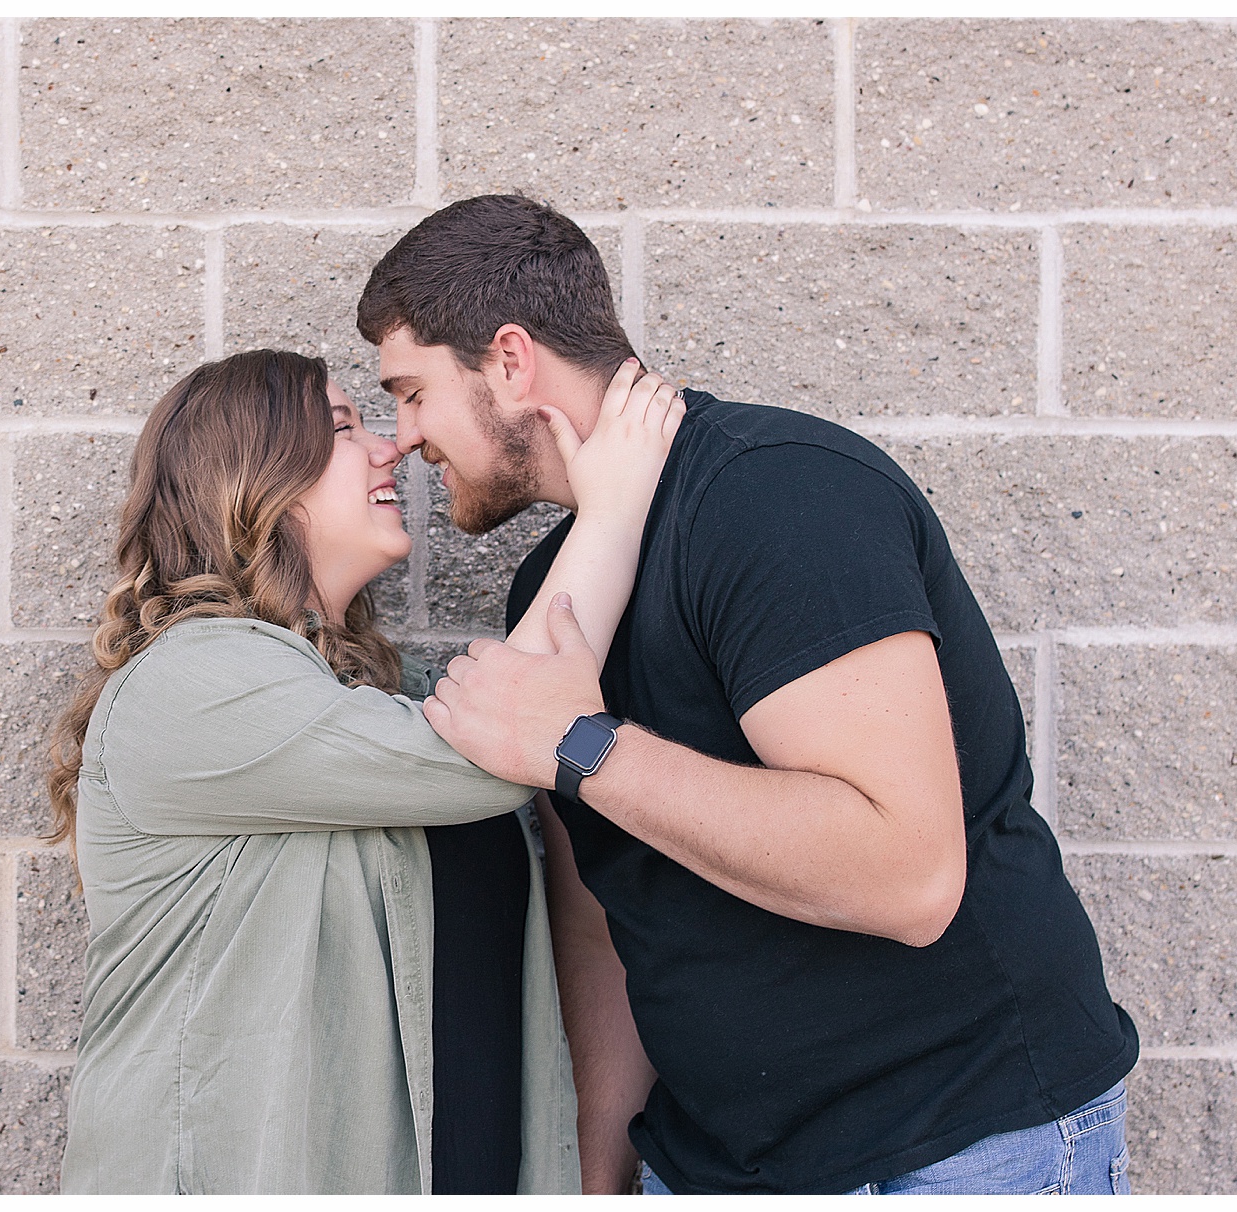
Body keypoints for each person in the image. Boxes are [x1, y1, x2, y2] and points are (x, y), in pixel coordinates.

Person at [356, 195, 1140, 1196]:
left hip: (954, 1150)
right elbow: (607, 908)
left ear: (510, 361)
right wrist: (605, 1164)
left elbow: (907, 877)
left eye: (412, 392)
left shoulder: (775, 499)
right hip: (715, 1165)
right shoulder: (555, 587)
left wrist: (585, 743)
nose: (404, 436)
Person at [47, 348, 684, 1194]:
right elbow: (507, 747)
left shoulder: (384, 697)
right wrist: (615, 509)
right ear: (257, 479)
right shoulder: (190, 684)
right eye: (346, 428)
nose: (391, 448)